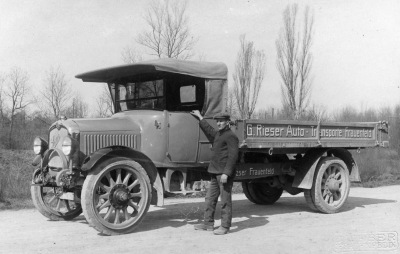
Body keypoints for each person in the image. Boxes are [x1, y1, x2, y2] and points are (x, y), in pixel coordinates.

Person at [190, 110, 239, 235]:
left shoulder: (231, 136)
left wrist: (226, 173)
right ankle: (208, 224)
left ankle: (225, 226)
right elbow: (208, 130)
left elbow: (233, 157)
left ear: (227, 122)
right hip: (214, 173)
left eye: (221, 121)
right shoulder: (219, 134)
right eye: (217, 121)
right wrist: (200, 117)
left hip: (223, 175)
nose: (219, 123)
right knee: (209, 199)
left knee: (225, 201)